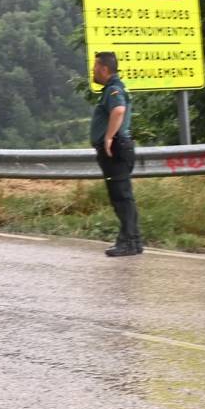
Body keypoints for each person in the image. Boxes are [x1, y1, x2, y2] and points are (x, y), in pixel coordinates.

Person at [90, 51, 141, 257]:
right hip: (120, 148)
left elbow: (118, 110)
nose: (93, 71)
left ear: (104, 69)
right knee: (122, 196)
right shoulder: (115, 88)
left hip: (116, 149)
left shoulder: (113, 89)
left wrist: (108, 138)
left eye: (95, 67)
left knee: (121, 197)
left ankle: (129, 242)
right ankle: (133, 241)